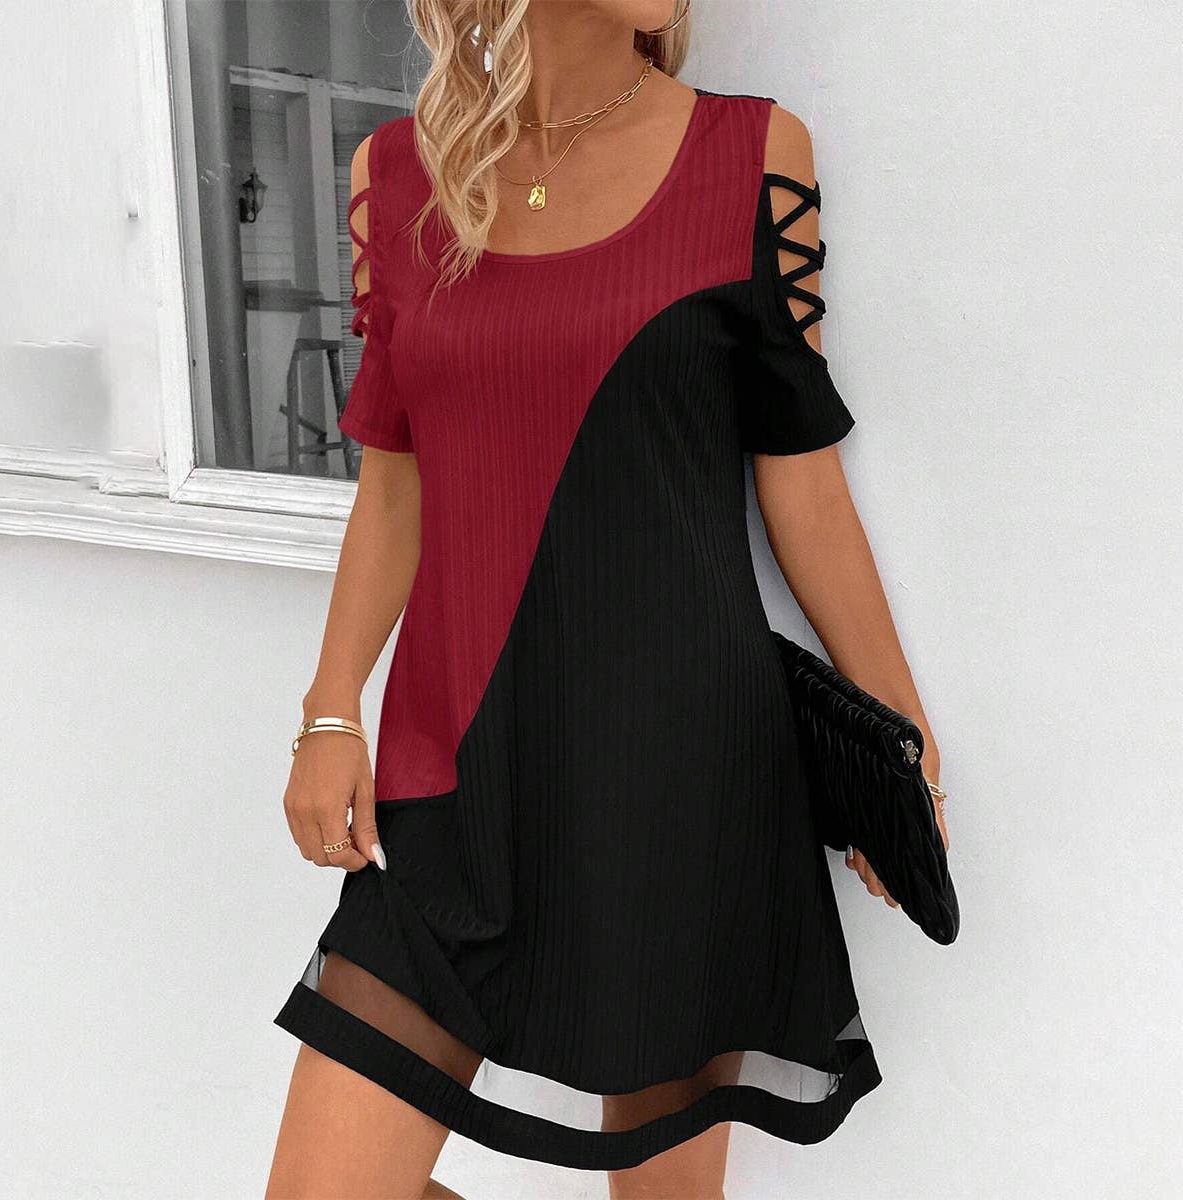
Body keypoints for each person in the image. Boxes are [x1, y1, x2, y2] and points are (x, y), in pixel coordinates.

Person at [266, 1, 948, 1196]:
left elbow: (801, 482)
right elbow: (393, 485)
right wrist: (331, 710)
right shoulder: (396, 177)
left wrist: (902, 739)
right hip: (454, 781)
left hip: (681, 782)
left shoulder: (751, 155)